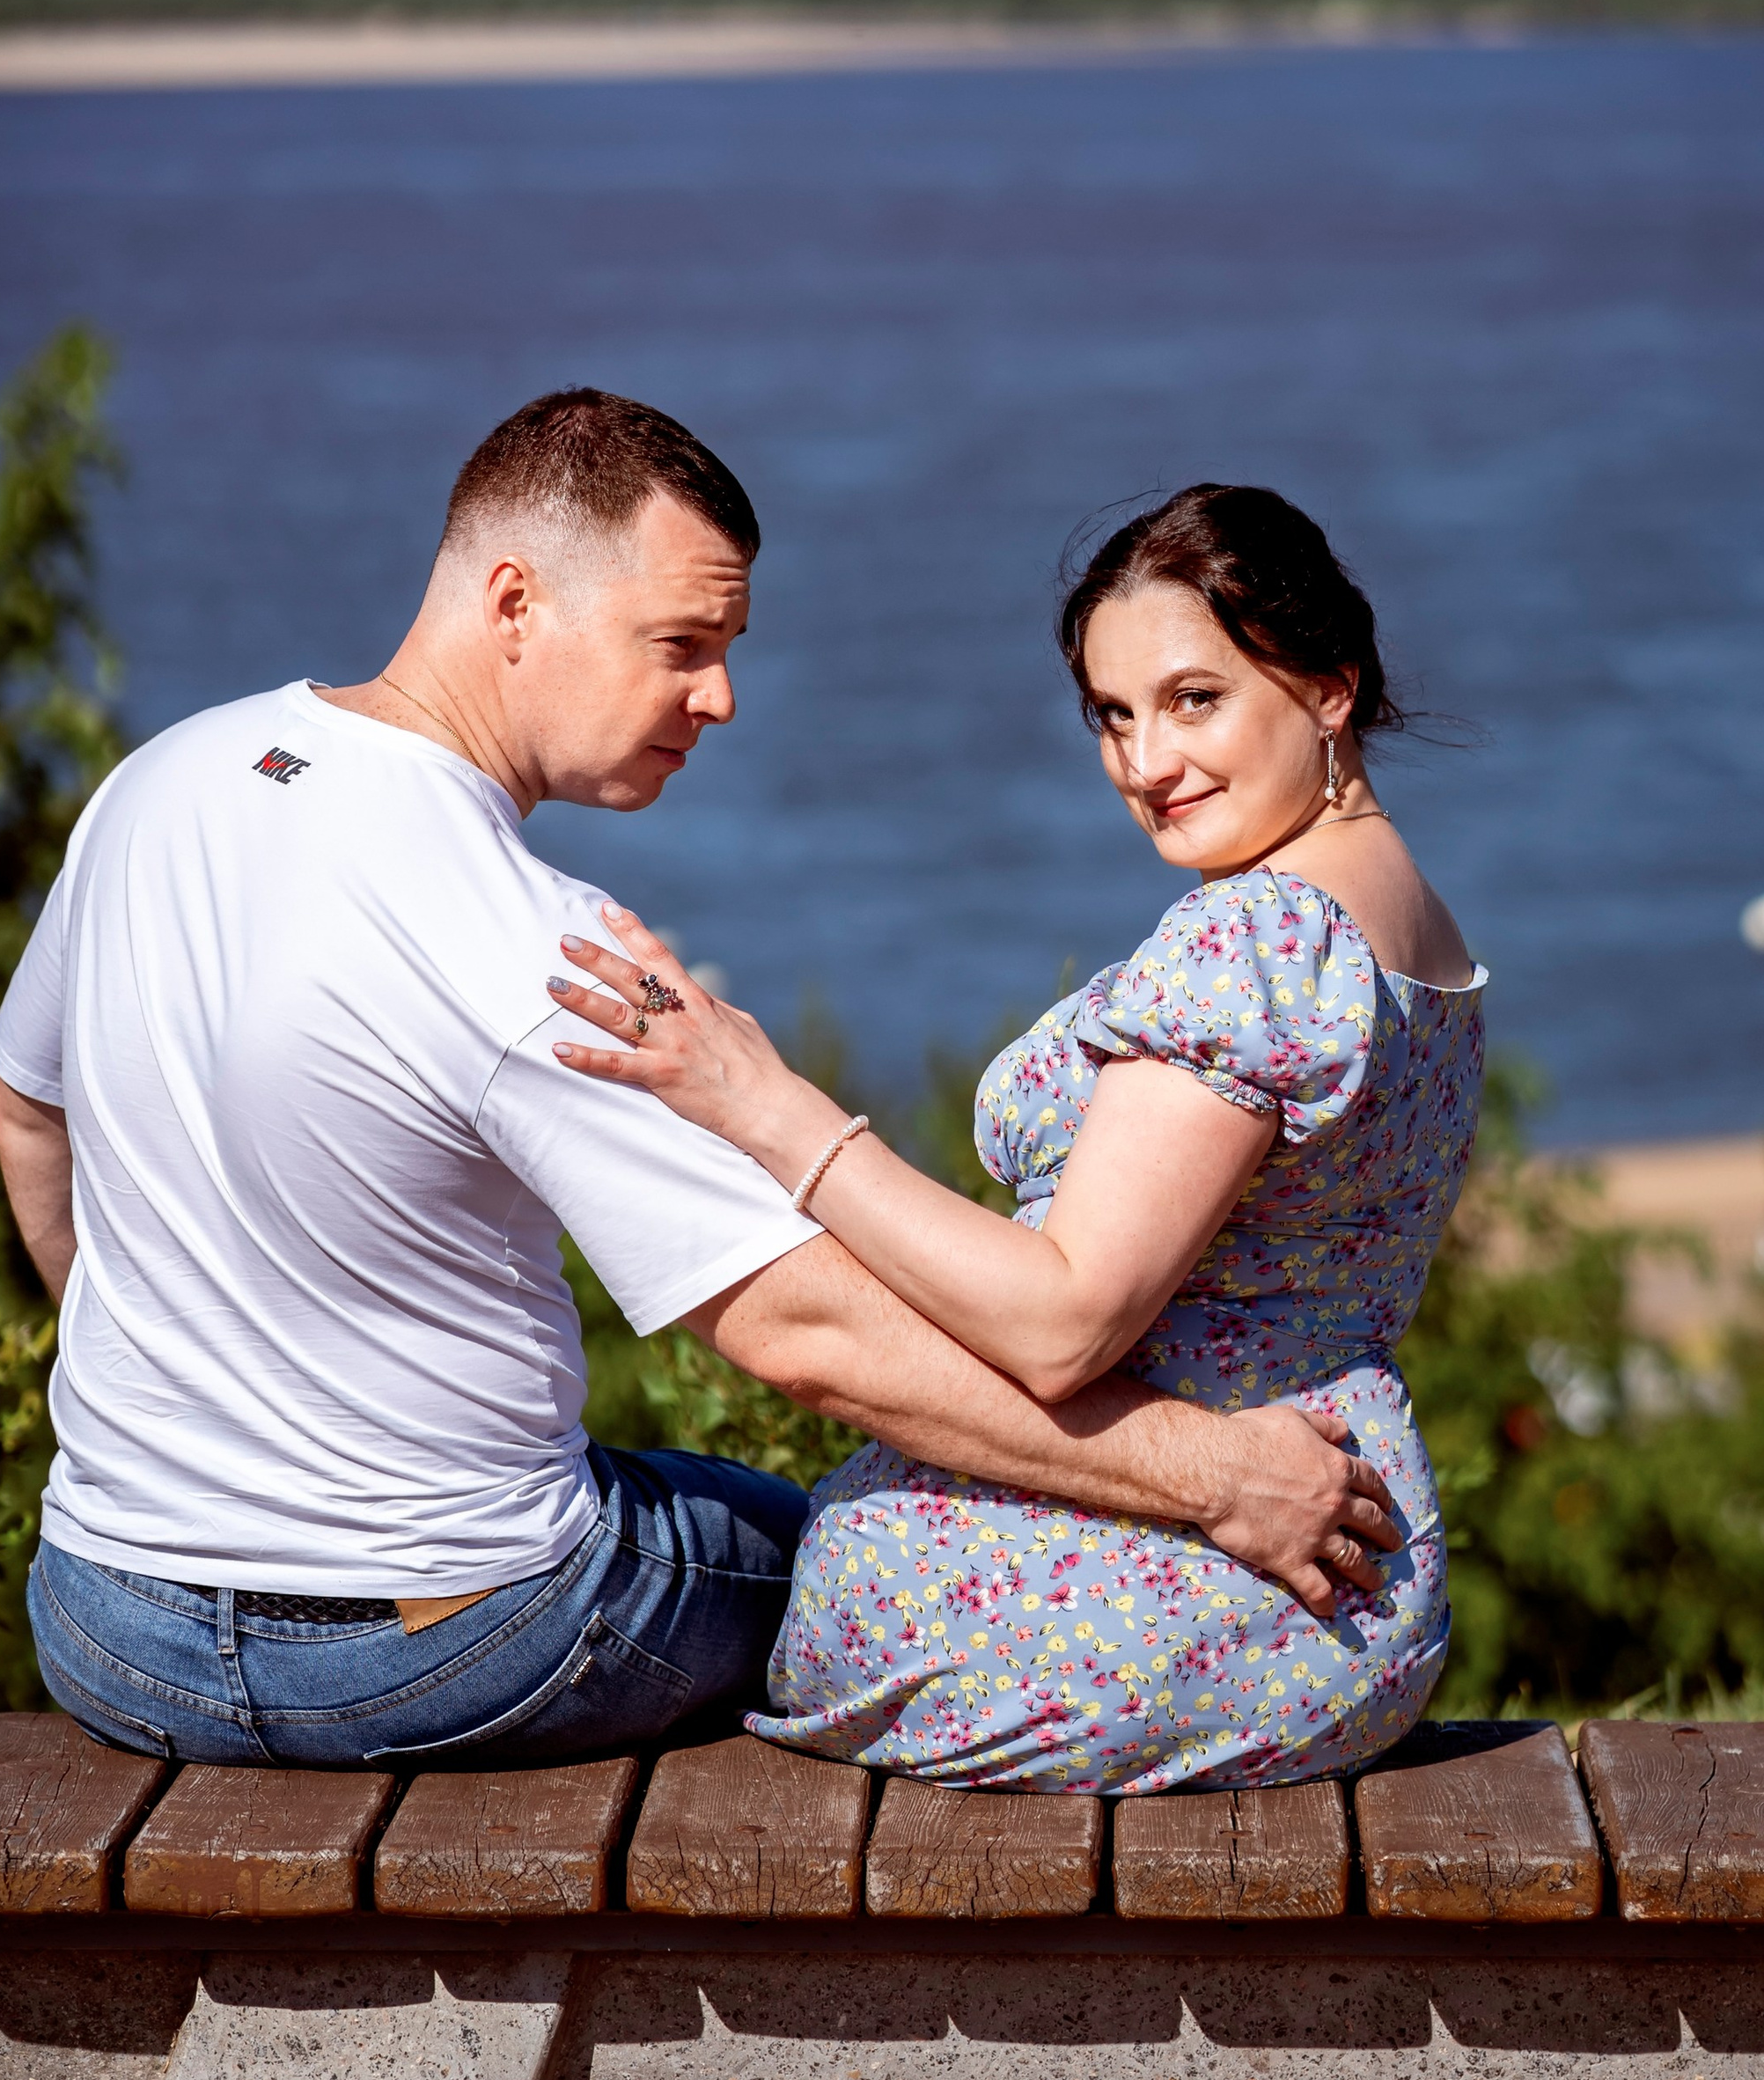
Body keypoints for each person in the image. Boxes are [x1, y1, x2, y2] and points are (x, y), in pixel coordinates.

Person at [0, 397, 1399, 1768]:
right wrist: (1212, 1476)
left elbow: (23, 1110)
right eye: (682, 644)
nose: (720, 697)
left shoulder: (158, 783)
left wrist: (185, 1418)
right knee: (846, 1553)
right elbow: (805, 1336)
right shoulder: (539, 944)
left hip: (107, 1622)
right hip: (446, 1644)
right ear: (516, 601)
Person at [549, 478, 1482, 1797]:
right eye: (1113, 714)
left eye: (1194, 699)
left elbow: (1063, 1322)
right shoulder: (1405, 918)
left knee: (705, 1579)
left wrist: (763, 1102)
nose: (1146, 764)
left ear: (1330, 688)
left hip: (1220, 1584)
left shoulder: (1259, 935)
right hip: (1349, 1578)